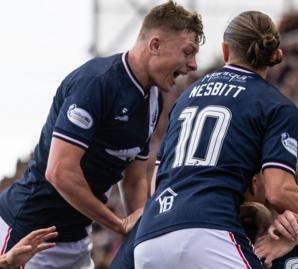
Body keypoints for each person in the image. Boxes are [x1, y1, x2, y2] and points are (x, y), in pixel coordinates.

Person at [0, 1, 204, 268]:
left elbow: (132, 181)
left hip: (76, 240)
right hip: (30, 235)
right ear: (154, 45)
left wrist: (141, 227)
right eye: (187, 52)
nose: (193, 65)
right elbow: (60, 171)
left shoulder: (154, 98)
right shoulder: (97, 82)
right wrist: (118, 224)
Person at [133, 10, 298, 269]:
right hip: (209, 232)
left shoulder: (186, 97)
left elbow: (156, 183)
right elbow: (280, 191)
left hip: (150, 239)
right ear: (274, 54)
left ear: (225, 51)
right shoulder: (276, 105)